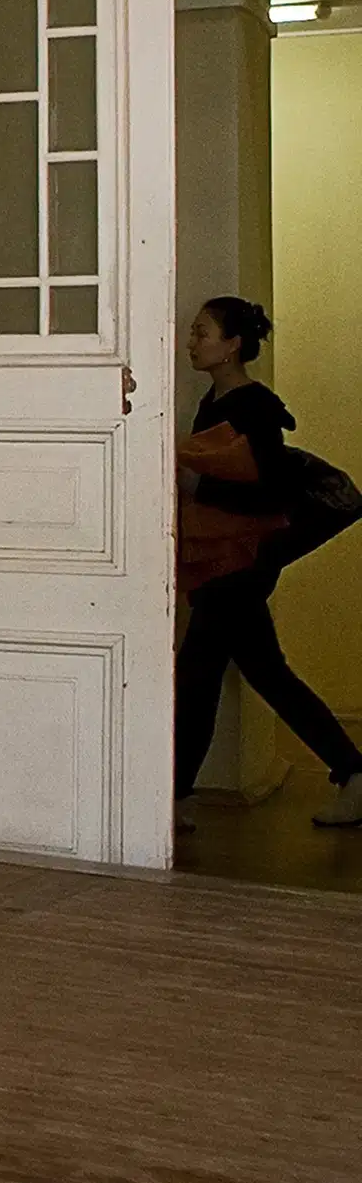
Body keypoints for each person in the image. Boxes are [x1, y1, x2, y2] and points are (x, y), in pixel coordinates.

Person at [173, 295, 362, 828]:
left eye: (202, 332)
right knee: (238, 672)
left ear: (233, 345)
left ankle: (177, 796)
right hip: (227, 562)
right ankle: (351, 771)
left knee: (208, 673)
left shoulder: (253, 406)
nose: (193, 341)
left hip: (240, 562)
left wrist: (198, 482)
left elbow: (270, 492)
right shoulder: (218, 399)